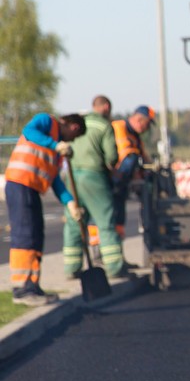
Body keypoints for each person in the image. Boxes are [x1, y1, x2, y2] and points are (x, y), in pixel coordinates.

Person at [4, 113, 85, 305]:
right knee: (25, 235)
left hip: (31, 188)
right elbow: (28, 131)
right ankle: (22, 290)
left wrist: (70, 202)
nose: (71, 141)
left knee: (36, 236)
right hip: (20, 183)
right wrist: (55, 145)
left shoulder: (56, 149)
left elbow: (55, 180)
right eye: (74, 137)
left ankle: (33, 285)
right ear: (74, 127)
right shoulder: (46, 121)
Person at [64, 104, 127, 279]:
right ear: (106, 108)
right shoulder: (104, 126)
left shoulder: (79, 123)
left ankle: (71, 267)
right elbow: (112, 156)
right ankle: (114, 266)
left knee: (74, 221)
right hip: (94, 176)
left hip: (72, 175)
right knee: (105, 222)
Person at [111, 105, 154, 239]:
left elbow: (144, 157)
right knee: (110, 216)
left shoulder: (136, 137)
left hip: (122, 185)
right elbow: (126, 154)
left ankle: (117, 253)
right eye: (147, 125)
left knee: (119, 218)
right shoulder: (119, 127)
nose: (146, 129)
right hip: (114, 179)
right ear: (139, 120)